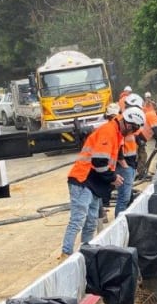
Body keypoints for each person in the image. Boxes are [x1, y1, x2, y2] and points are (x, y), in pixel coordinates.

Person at [60, 108, 142, 257]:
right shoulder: (109, 132)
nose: (131, 133)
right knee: (78, 219)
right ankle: (66, 254)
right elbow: (99, 162)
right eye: (133, 129)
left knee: (91, 221)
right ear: (129, 124)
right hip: (82, 179)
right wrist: (113, 178)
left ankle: (87, 253)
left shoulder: (116, 133)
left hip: (93, 182)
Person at [115, 100, 147, 216]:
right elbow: (117, 148)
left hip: (130, 163)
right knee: (124, 198)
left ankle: (124, 222)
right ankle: (120, 224)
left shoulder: (127, 124)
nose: (134, 130)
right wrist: (124, 165)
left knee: (126, 197)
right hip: (125, 165)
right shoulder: (120, 126)